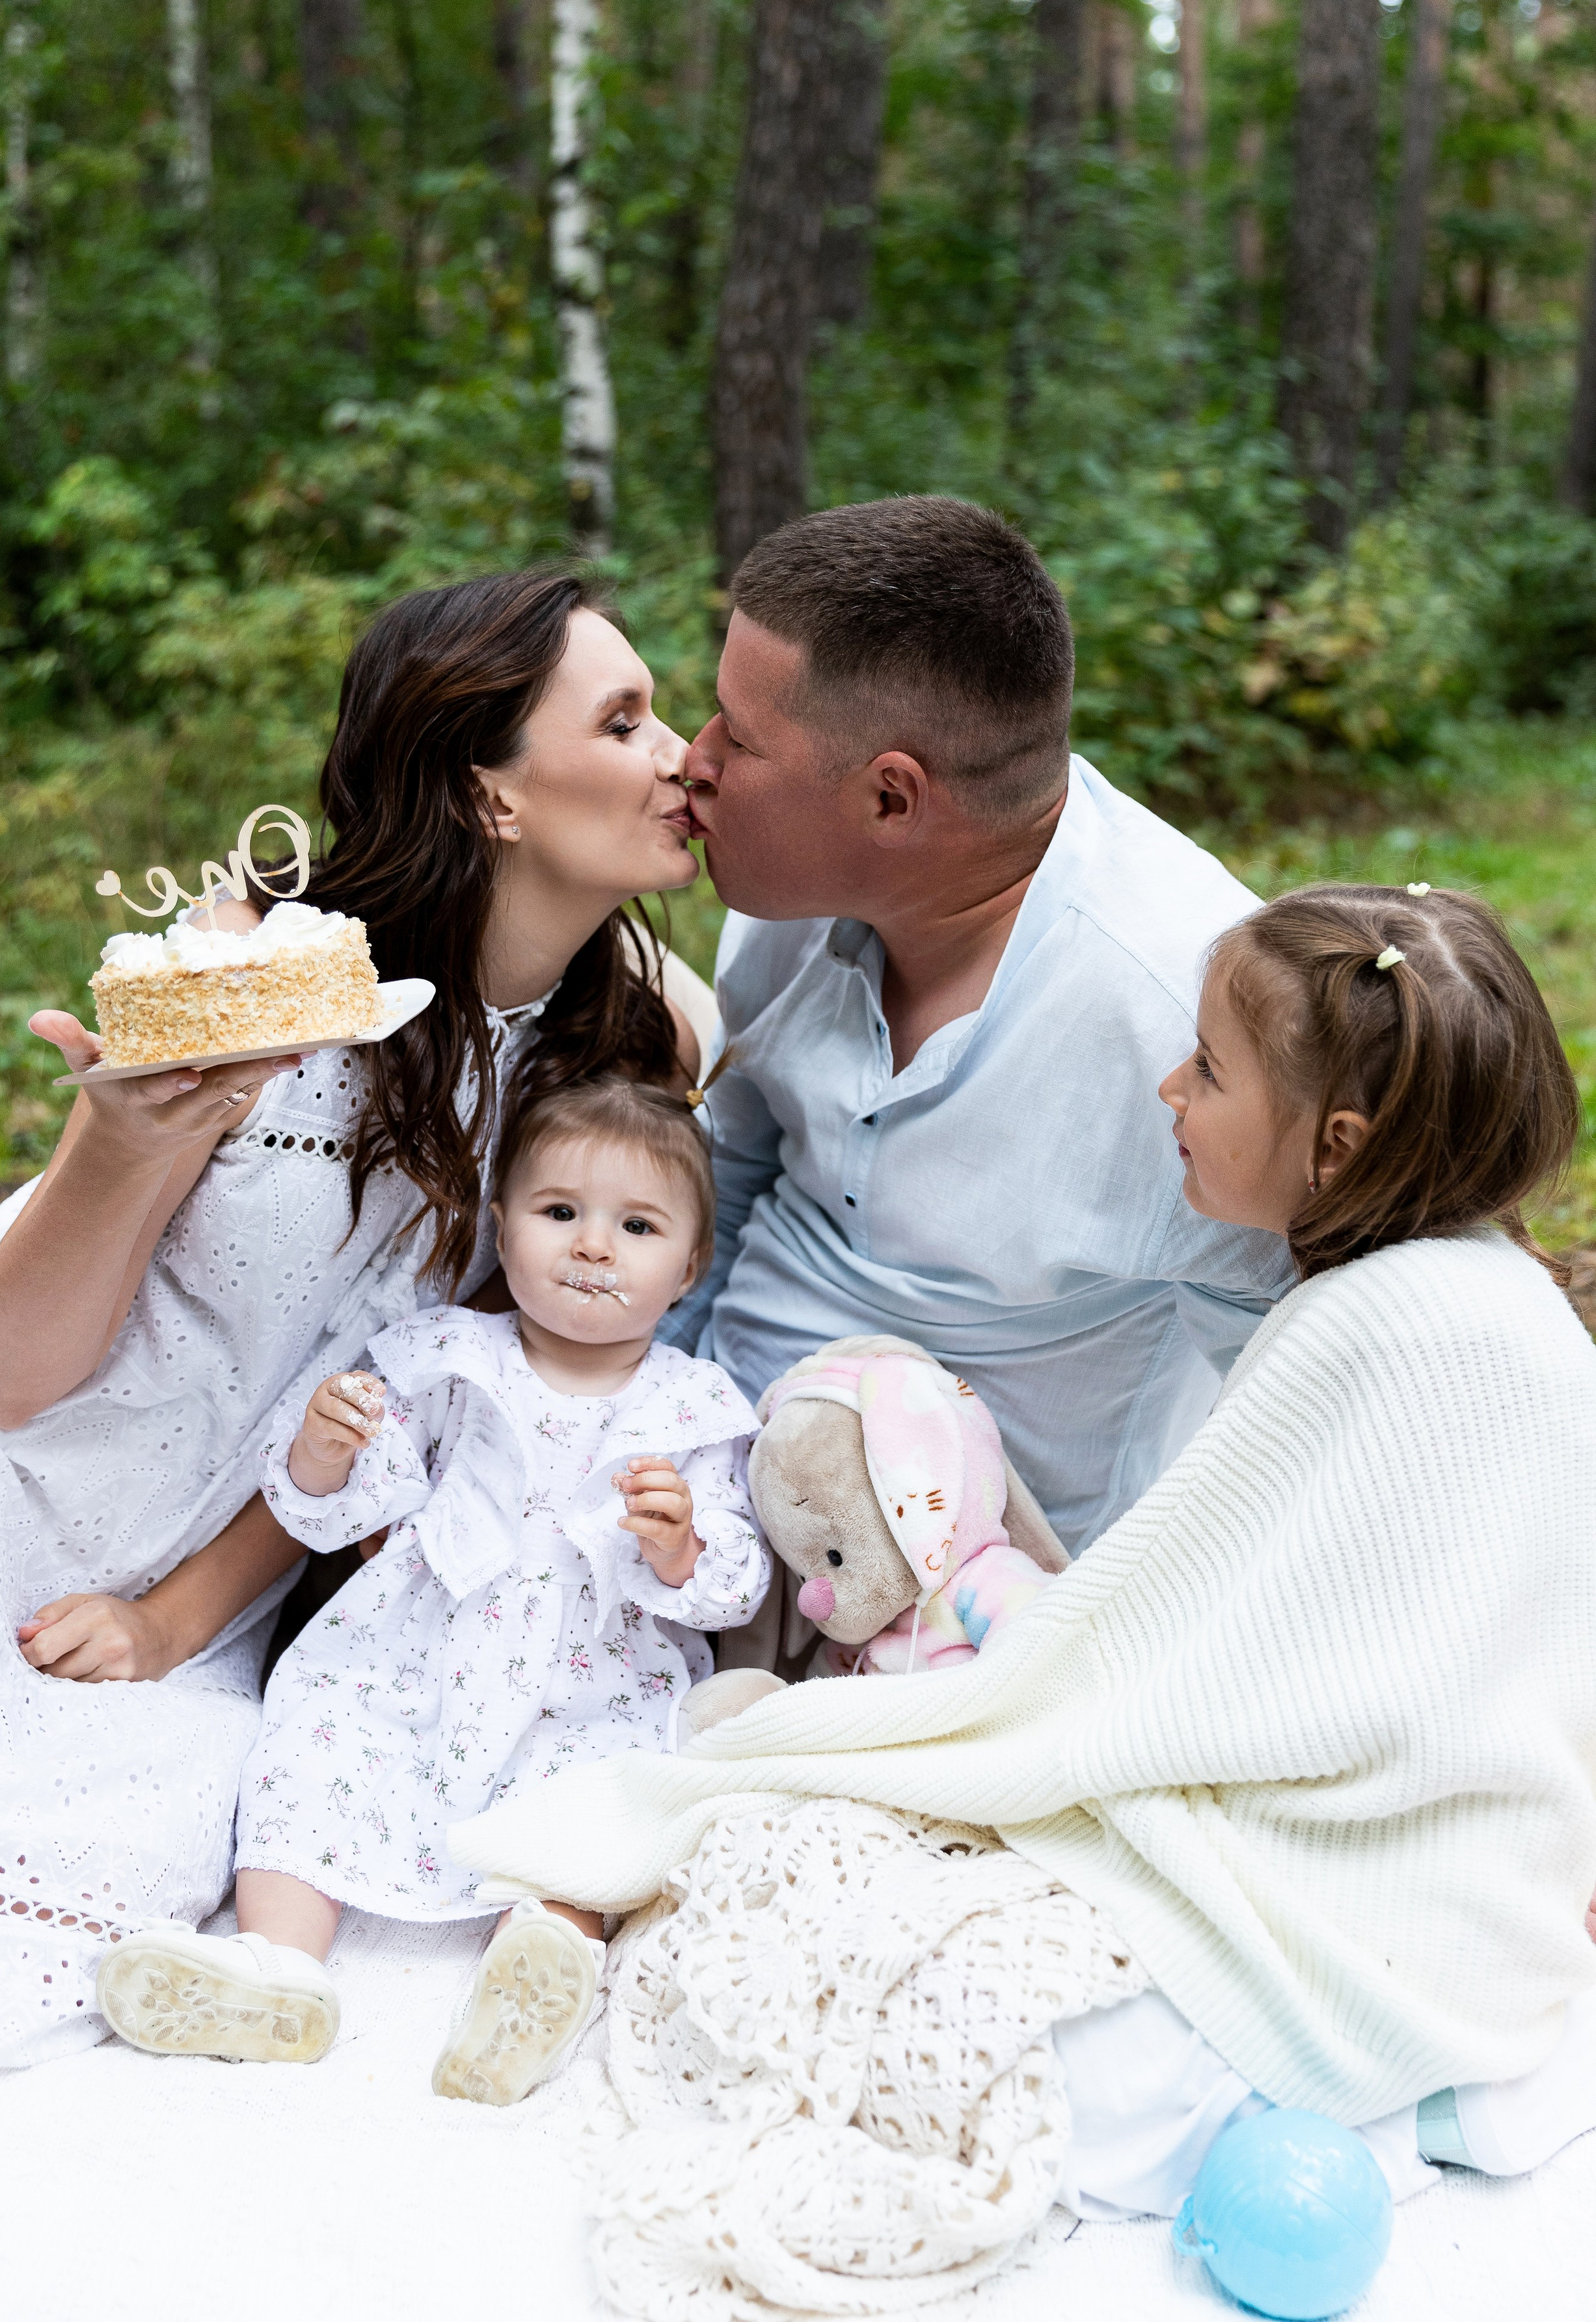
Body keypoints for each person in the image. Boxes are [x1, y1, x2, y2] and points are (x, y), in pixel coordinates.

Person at [453, 882, 1596, 2289]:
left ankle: (1356, 2110)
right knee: (846, 1859)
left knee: (913, 1965)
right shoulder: (1470, 1297)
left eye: (1209, 1071)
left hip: (1376, 1892)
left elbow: (1204, 1673)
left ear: (1334, 1146)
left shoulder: (1388, 1327)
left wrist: (1013, 1705)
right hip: (1459, 1894)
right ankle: (1413, 2092)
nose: (1166, 1086)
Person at [0, 572, 705, 2070]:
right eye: (624, 721)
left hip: (219, 1558)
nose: (679, 754)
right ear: (487, 790)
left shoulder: (624, 1052)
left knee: (142, 1833)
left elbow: (404, 1407)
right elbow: (11, 1378)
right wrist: (124, 1142)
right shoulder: (262, 972)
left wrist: (172, 1622)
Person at [93, 1077, 765, 2104]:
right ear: (502, 1226)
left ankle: (538, 1967)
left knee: (595, 1801)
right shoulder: (445, 1356)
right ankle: (278, 1963)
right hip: (411, 1658)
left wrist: (680, 1548)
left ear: (690, 1266)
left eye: (636, 1226)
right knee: (314, 1752)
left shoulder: (698, 1409)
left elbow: (737, 1581)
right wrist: (326, 1452)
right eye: (558, 1213)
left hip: (579, 1685)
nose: (592, 1246)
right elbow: (345, 1513)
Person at [665, 494, 1290, 1579]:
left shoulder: (1188, 1018)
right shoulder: (787, 908)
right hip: (702, 1515)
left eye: (740, 736)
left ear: (893, 799)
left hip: (999, 1599)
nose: (694, 760)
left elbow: (1294, 1369)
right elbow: (723, 1185)